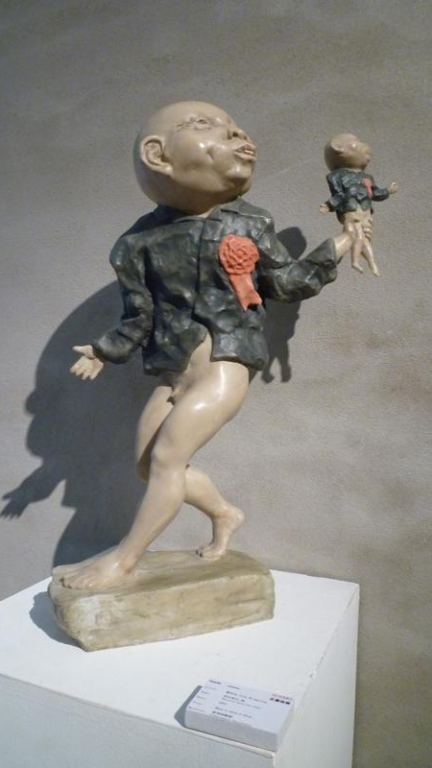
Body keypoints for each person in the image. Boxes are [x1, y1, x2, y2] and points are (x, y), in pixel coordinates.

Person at [60, 101, 357, 590]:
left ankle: (123, 561)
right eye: (207, 126)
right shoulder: (136, 243)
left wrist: (340, 242)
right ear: (158, 155)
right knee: (147, 465)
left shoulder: (248, 223)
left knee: (166, 461)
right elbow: (139, 316)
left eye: (237, 128)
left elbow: (285, 283)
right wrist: (103, 350)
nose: (239, 136)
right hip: (176, 371)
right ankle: (224, 513)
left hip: (223, 364)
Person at [319, 133, 398, 276]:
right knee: (356, 235)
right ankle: (355, 262)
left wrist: (387, 191)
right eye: (356, 141)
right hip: (352, 210)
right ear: (338, 147)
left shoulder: (367, 177)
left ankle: (371, 263)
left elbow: (374, 193)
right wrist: (329, 205)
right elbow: (339, 194)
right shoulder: (336, 176)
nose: (363, 144)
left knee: (364, 238)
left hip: (365, 211)